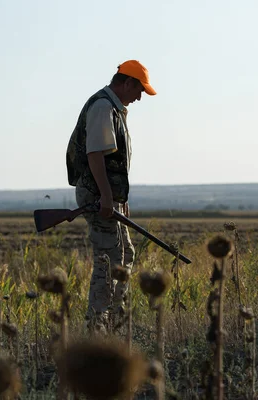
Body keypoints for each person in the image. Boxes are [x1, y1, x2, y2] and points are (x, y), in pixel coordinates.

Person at [66, 60, 157, 332]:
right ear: (127, 83)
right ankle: (98, 324)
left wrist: (119, 196)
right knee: (108, 260)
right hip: (96, 194)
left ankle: (116, 319)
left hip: (106, 194)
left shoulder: (115, 109)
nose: (140, 97)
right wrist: (106, 196)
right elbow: (95, 155)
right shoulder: (103, 107)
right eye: (139, 90)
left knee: (125, 253)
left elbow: (113, 161)